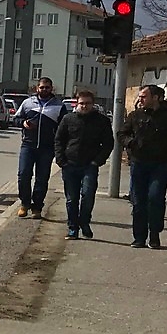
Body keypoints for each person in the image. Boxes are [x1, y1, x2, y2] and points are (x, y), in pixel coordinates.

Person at [117, 83, 167, 249]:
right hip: (139, 163)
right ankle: (139, 237)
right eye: (140, 96)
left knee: (155, 198)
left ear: (155, 98)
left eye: (144, 96)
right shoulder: (135, 115)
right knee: (138, 200)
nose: (140, 99)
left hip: (161, 164)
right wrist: (130, 142)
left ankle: (154, 234)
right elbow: (122, 133)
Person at [54, 89, 114, 240]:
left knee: (88, 195)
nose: (84, 106)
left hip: (89, 165)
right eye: (82, 103)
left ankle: (85, 222)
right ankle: (72, 228)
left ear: (93, 104)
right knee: (71, 199)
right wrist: (61, 160)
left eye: (88, 103)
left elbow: (108, 143)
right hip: (70, 164)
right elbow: (59, 140)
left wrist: (97, 161)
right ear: (76, 103)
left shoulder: (101, 121)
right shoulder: (68, 119)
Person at [13, 77, 64, 219]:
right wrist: (23, 123)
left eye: (47, 87)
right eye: (42, 87)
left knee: (42, 178)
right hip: (28, 145)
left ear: (51, 89)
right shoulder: (27, 103)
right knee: (23, 174)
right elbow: (15, 118)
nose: (44, 90)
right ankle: (24, 203)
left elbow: (63, 127)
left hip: (47, 147)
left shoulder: (59, 105)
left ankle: (37, 207)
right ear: (37, 88)